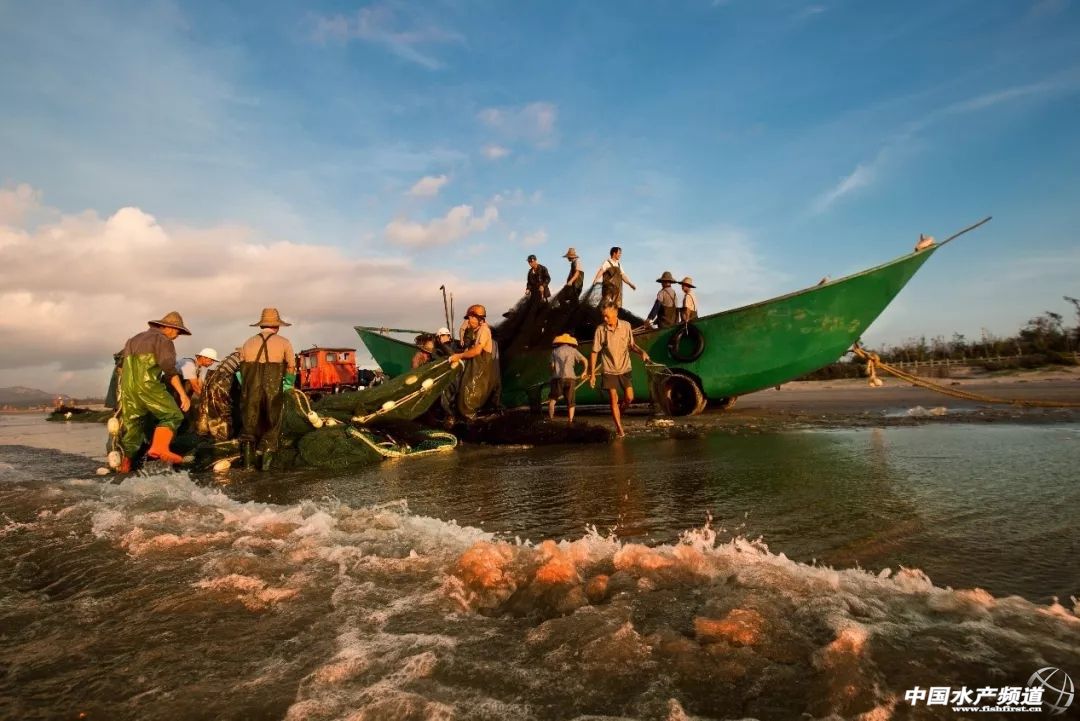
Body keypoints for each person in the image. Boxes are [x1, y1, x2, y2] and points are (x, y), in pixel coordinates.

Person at [117, 311, 193, 471]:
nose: (177, 336)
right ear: (169, 328)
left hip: (128, 390)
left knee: (133, 427)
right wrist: (183, 394)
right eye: (178, 331)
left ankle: (124, 467)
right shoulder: (163, 340)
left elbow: (121, 367)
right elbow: (169, 370)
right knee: (173, 415)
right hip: (149, 386)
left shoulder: (133, 339)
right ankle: (160, 448)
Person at [238, 308, 296, 471]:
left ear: (261, 326)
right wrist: (288, 385)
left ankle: (248, 466)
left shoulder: (248, 342)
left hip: (250, 389)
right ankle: (266, 468)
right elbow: (291, 367)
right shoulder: (284, 342)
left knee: (250, 425)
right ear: (277, 327)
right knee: (272, 425)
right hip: (274, 388)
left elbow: (241, 370)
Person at [590, 303, 650, 437]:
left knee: (629, 397)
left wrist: (642, 352)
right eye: (603, 316)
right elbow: (594, 352)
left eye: (607, 316)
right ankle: (619, 429)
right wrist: (593, 373)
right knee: (613, 398)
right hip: (609, 369)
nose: (605, 319)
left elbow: (632, 345)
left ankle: (619, 413)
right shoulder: (600, 330)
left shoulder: (626, 326)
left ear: (615, 314)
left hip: (624, 368)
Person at [450, 304, 499, 421]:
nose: (469, 320)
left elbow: (477, 351)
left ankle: (472, 424)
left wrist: (459, 356)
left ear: (479, 318)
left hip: (480, 373)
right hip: (474, 371)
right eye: (469, 318)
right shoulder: (475, 331)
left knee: (467, 400)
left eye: (471, 317)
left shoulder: (484, 330)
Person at [194, 349, 242, 441]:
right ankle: (221, 439)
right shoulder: (243, 356)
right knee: (221, 411)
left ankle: (203, 435)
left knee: (206, 409)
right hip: (221, 382)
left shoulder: (233, 356)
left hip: (211, 380)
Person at [548, 333, 588, 422]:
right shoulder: (573, 350)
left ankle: (551, 419)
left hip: (558, 378)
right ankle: (570, 420)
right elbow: (585, 360)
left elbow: (552, 366)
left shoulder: (554, 351)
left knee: (553, 399)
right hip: (571, 378)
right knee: (571, 402)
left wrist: (552, 372)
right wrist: (584, 372)